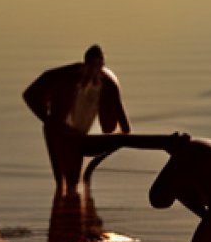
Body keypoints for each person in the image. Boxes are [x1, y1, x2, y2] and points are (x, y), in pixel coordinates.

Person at [23, 45, 131, 193]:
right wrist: (50, 122)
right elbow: (29, 94)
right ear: (85, 64)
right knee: (62, 183)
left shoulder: (109, 84)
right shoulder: (66, 76)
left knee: (73, 181)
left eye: (99, 66)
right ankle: (64, 208)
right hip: (58, 130)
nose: (94, 71)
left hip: (79, 135)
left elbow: (125, 128)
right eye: (92, 66)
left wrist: (107, 143)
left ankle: (71, 208)